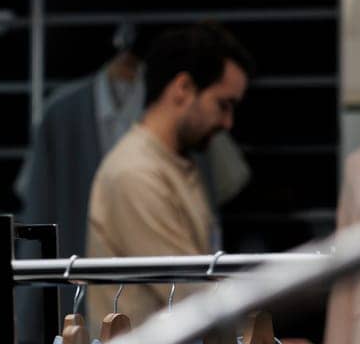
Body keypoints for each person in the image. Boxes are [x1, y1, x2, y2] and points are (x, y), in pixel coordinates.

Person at [85, 23, 253, 325]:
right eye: (223, 104)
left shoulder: (174, 164)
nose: (228, 122)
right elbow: (191, 294)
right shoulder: (135, 173)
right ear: (183, 88)